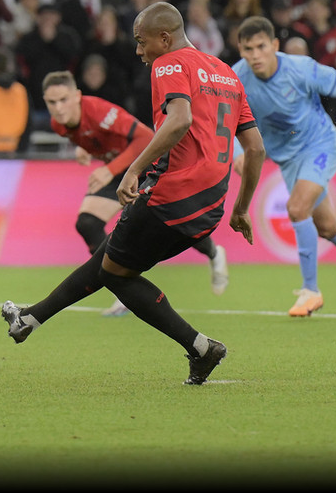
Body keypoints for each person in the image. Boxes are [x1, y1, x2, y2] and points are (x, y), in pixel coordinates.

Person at [2, 2, 267, 386]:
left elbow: (179, 120)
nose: (139, 52)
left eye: (142, 42)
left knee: (114, 272)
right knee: (111, 259)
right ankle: (30, 318)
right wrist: (241, 209)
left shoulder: (170, 63)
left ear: (165, 37)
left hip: (171, 190)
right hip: (211, 203)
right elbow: (256, 148)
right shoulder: (226, 73)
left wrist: (134, 168)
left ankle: (201, 347)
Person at [231, 16, 336, 317]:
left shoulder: (300, 68)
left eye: (261, 47)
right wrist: (236, 150)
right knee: (327, 226)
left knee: (296, 208)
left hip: (320, 145)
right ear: (240, 50)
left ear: (275, 46)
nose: (255, 55)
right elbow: (228, 120)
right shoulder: (236, 78)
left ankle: (310, 291)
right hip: (288, 158)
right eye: (247, 49)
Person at [42, 70, 229, 318]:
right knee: (87, 222)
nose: (58, 108)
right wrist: (83, 149)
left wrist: (109, 170)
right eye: (51, 102)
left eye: (63, 99)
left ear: (77, 96)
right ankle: (120, 287)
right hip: (119, 172)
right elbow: (91, 138)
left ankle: (215, 253)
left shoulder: (98, 111)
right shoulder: (59, 125)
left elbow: (144, 138)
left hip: (145, 167)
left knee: (172, 225)